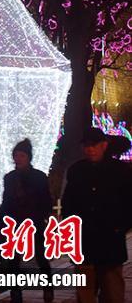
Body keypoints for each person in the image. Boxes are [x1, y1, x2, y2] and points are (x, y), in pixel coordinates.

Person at [61, 127, 132, 303]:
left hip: (110, 240)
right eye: (86, 145)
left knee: (112, 290)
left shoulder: (120, 171)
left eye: (94, 145)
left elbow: (129, 203)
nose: (90, 149)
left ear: (104, 145)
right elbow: (69, 203)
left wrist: (120, 227)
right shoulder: (76, 170)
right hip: (85, 241)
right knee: (85, 291)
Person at [0, 138, 54, 303]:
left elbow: (46, 200)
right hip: (15, 224)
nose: (18, 158)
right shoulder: (10, 178)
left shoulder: (39, 177)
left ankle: (47, 287)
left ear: (28, 157)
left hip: (34, 223)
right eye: (16, 155)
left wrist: (41, 216)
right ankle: (16, 294)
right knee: (13, 261)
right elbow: (6, 201)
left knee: (40, 257)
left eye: (21, 155)